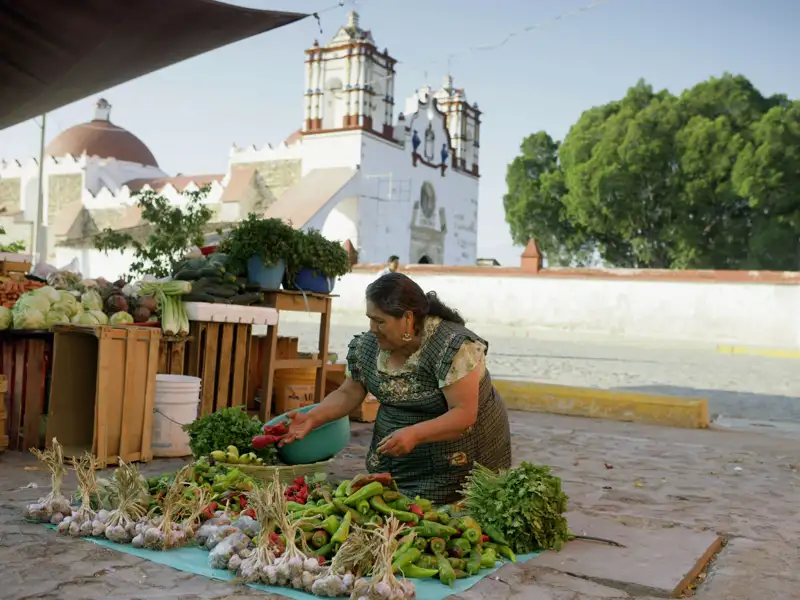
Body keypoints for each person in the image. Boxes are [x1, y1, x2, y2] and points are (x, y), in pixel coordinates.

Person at [280, 272, 512, 504]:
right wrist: (313, 417)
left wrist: (414, 434)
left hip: (462, 459)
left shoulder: (454, 347)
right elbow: (348, 392)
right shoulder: (369, 347)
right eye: (370, 319)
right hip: (402, 461)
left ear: (408, 319)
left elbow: (463, 414)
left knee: (450, 517)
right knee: (396, 508)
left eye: (380, 321)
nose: (372, 328)